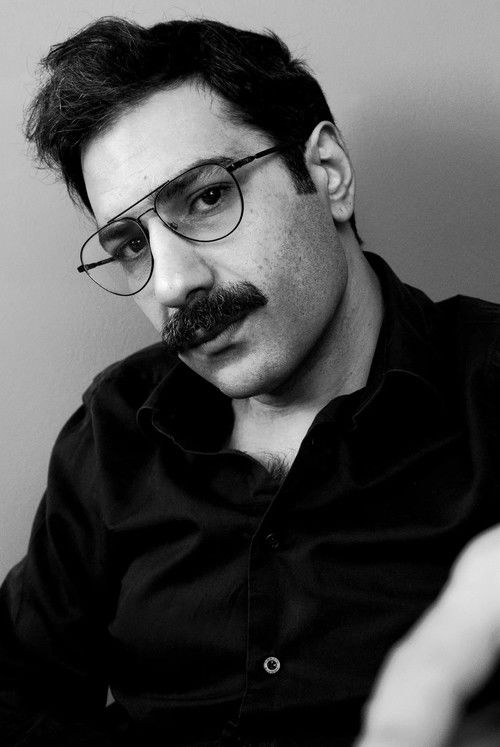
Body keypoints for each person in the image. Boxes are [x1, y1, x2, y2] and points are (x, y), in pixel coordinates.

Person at [0, 15, 499, 747]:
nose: (172, 284)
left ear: (326, 171)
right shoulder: (115, 428)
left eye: (206, 197)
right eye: (131, 244)